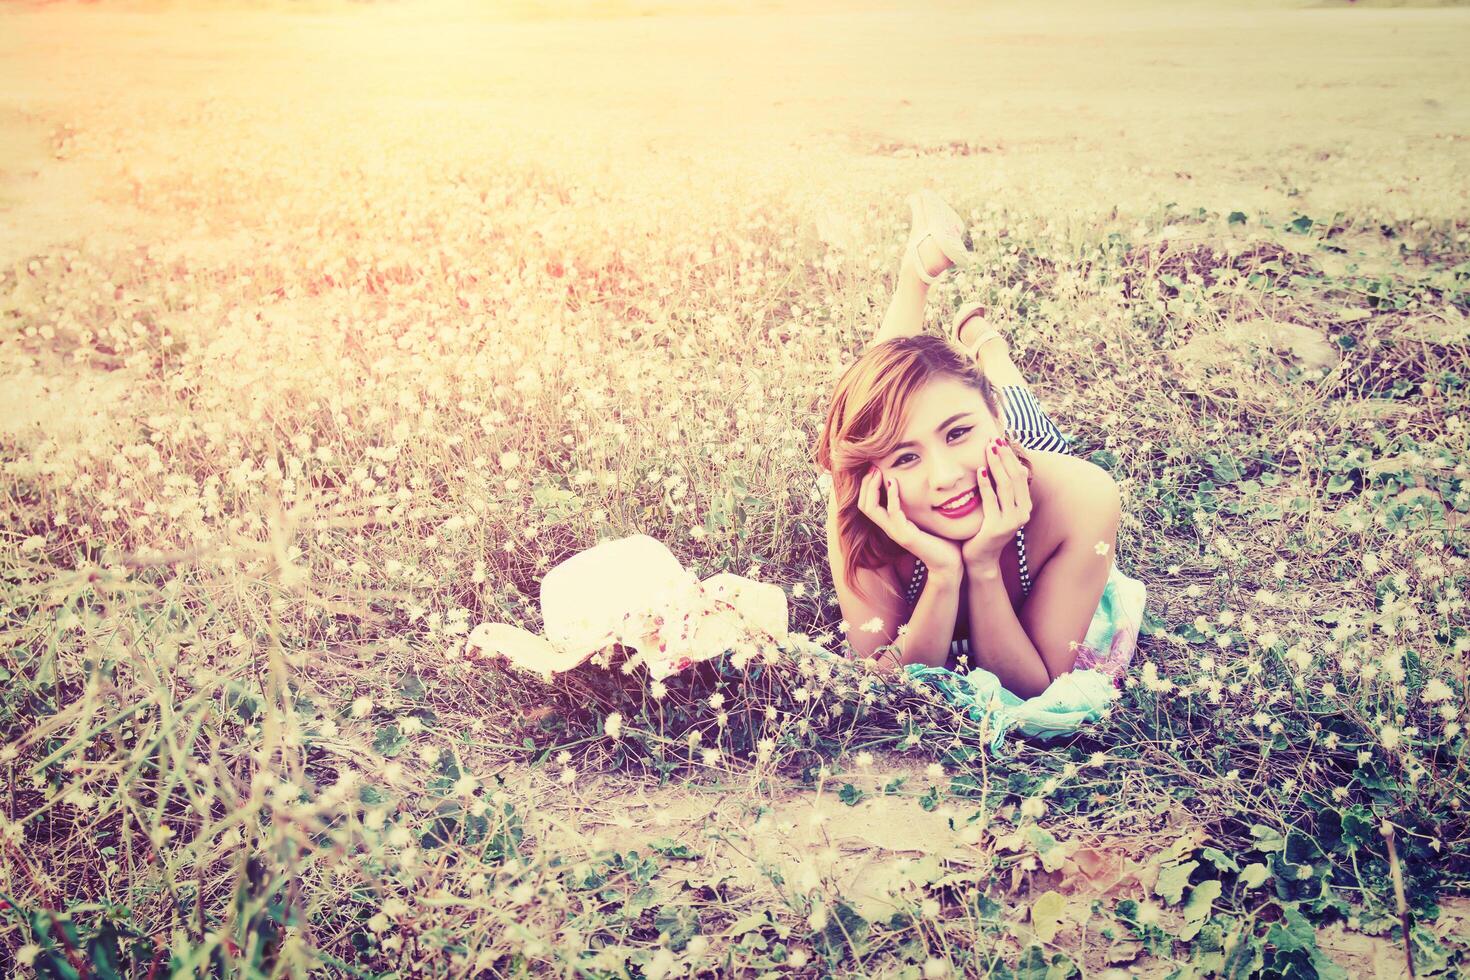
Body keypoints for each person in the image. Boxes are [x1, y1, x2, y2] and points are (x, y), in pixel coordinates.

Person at [814, 190, 1145, 699]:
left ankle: (989, 347)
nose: (944, 475)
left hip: (1024, 456)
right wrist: (945, 572)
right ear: (876, 471)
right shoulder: (860, 508)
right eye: (905, 456)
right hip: (971, 439)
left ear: (994, 419)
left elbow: (1034, 687)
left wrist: (986, 563)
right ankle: (917, 274)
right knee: (887, 398)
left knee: (1022, 410)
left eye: (958, 433)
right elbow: (886, 684)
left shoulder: (1081, 493)